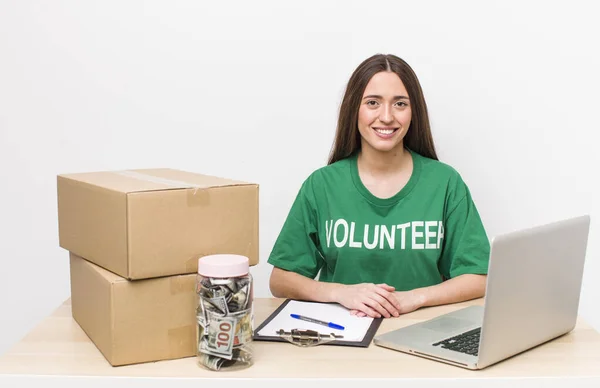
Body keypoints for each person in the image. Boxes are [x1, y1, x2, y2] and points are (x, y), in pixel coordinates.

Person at [267, 54, 490, 319]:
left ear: (413, 112)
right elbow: (280, 280)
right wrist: (341, 293)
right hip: (342, 338)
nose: (386, 116)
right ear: (354, 110)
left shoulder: (445, 183)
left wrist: (413, 298)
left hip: (421, 335)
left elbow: (479, 277)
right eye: (373, 103)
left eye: (400, 104)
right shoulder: (322, 185)